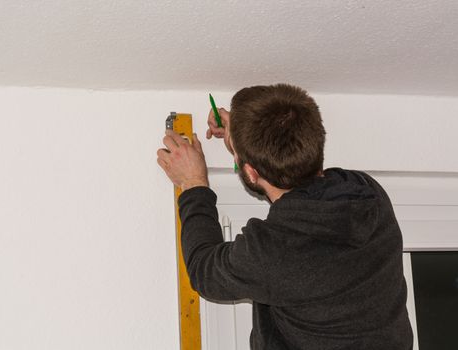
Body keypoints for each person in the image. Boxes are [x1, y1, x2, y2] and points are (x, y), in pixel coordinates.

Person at [156, 84, 413, 349]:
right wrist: (245, 137)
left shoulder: (272, 249)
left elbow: (204, 270)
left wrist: (194, 183)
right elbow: (295, 178)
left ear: (251, 173)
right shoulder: (368, 193)